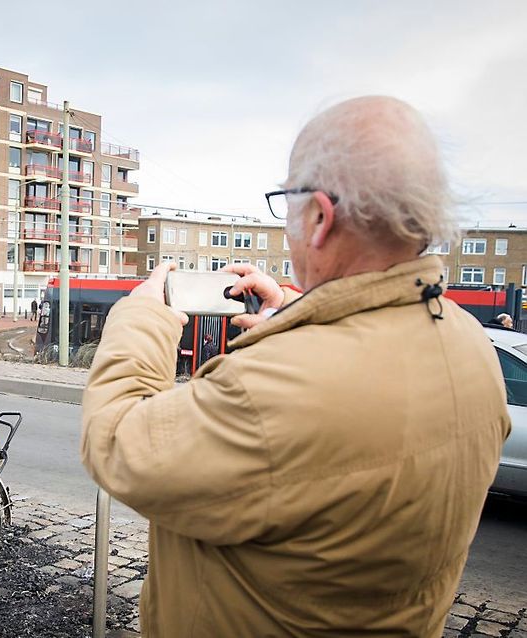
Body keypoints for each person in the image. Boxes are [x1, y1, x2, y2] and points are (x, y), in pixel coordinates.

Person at [81, 96, 510, 637]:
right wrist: (292, 318)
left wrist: (140, 316)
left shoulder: (269, 394)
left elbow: (117, 442)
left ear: (320, 217)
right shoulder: (469, 343)